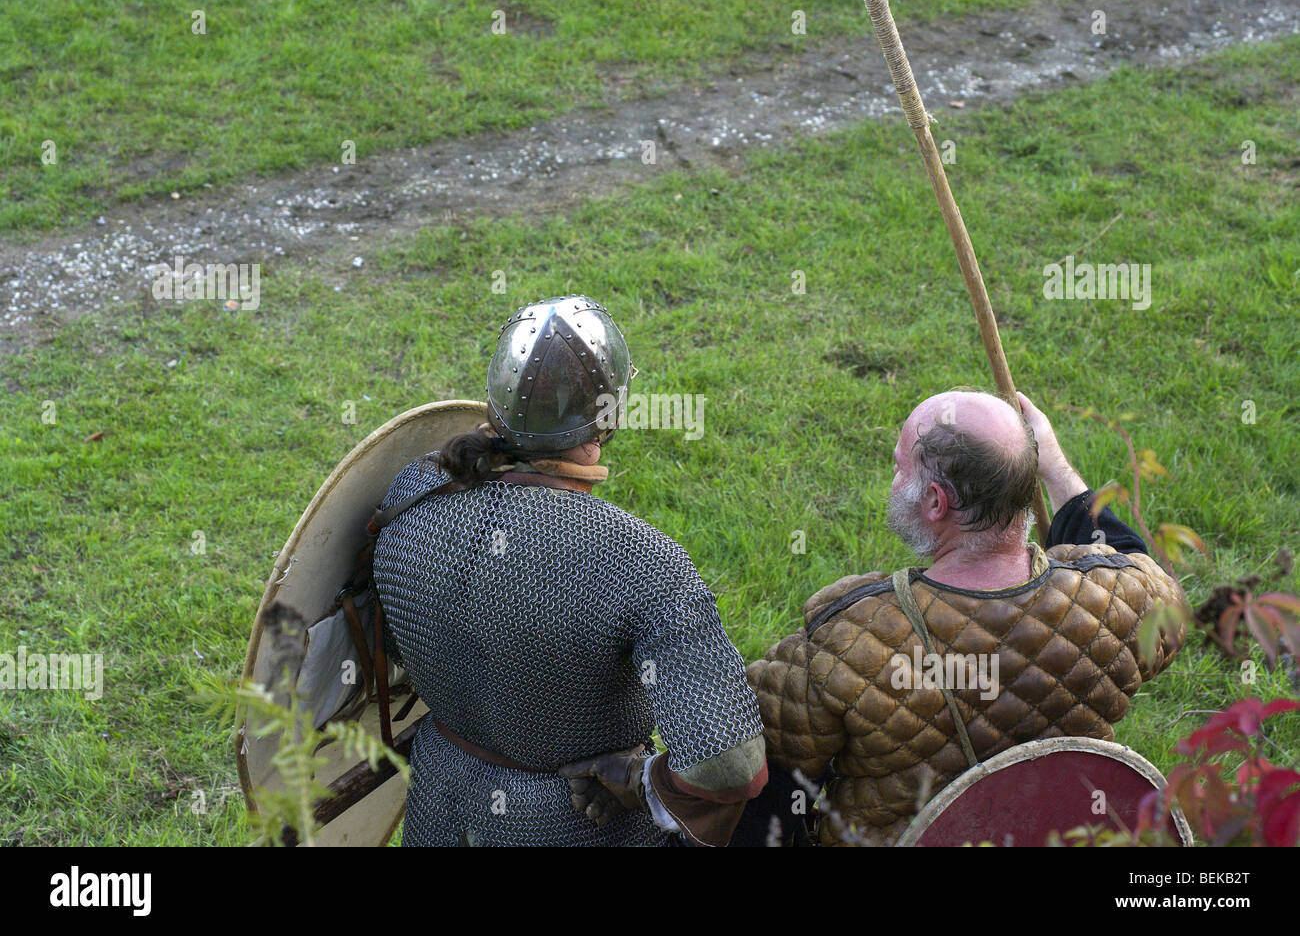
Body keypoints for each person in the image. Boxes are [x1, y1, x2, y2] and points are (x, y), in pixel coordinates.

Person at [372, 296, 767, 846]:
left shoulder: (410, 496)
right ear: (608, 418)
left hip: (442, 795)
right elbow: (728, 764)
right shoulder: (641, 562)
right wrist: (639, 779)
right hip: (575, 819)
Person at [736, 389, 1185, 846]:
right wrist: (1053, 465)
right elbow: (1131, 562)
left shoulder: (846, 638)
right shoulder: (1120, 605)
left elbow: (755, 782)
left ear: (935, 502)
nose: (893, 479)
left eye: (898, 467)